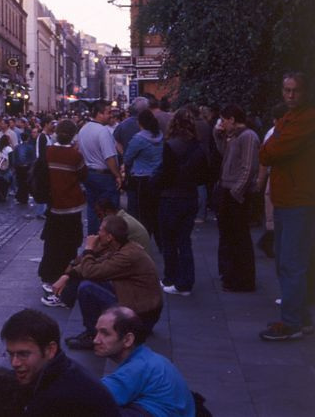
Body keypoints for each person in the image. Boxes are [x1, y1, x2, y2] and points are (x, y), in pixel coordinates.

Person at [257, 72, 315, 341]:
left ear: (304, 91)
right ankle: (300, 318)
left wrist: (274, 143)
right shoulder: (290, 118)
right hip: (288, 198)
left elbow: (271, 151)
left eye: (295, 90)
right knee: (289, 261)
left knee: (291, 262)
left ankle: (292, 323)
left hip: (299, 199)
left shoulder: (306, 119)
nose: (290, 95)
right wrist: (273, 145)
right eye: (286, 90)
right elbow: (271, 148)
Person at [51, 216, 163, 350]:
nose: (97, 234)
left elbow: (90, 271)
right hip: (136, 304)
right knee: (92, 281)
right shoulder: (121, 247)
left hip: (141, 318)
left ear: (109, 237)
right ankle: (93, 331)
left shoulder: (128, 255)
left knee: (87, 287)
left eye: (100, 231)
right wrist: (66, 276)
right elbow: (95, 264)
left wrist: (89, 248)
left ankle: (93, 336)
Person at [0, 308, 119, 416]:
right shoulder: (60, 372)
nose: (15, 363)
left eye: (23, 354)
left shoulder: (58, 397)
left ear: (50, 350)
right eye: (11, 354)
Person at [93, 306, 195, 417]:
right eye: (97, 332)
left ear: (127, 340)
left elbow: (92, 396)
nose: (96, 340)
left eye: (105, 333)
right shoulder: (149, 358)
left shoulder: (136, 368)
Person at [156, 107, 208, 296]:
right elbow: (204, 176)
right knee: (184, 241)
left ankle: (171, 277)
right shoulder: (198, 146)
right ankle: (186, 281)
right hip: (190, 196)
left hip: (171, 197)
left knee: (169, 241)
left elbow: (166, 175)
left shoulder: (170, 145)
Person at [38, 119, 87, 304]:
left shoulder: (48, 152)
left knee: (52, 242)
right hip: (72, 206)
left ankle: (49, 275)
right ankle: (66, 275)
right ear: (74, 136)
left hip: (54, 204)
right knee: (71, 243)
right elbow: (84, 175)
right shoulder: (75, 156)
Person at [213, 104, 260, 293]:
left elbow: (248, 167)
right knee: (229, 236)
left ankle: (242, 278)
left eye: (224, 120)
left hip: (236, 193)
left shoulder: (248, 137)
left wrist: (236, 191)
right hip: (228, 190)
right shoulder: (235, 136)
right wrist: (219, 135)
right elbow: (225, 155)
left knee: (239, 237)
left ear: (232, 119)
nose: (222, 124)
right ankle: (231, 274)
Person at [76, 101, 123, 236]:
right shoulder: (103, 131)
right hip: (104, 176)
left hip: (89, 174)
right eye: (108, 112)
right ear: (99, 114)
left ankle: (94, 238)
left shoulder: (84, 129)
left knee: (92, 208)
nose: (111, 115)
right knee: (110, 209)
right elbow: (109, 158)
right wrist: (118, 175)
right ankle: (108, 239)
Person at [122, 109, 164, 226]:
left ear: (139, 123)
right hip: (157, 177)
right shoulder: (160, 135)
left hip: (141, 178)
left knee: (140, 213)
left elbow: (127, 158)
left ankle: (142, 238)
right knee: (154, 211)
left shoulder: (139, 139)